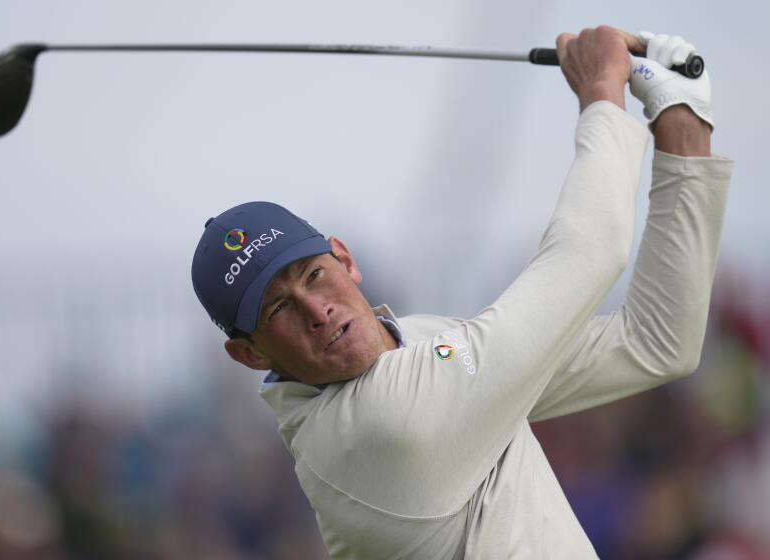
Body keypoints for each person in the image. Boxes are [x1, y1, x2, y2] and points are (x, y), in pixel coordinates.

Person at [191, 26, 732, 559]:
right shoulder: (375, 427)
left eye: (312, 275)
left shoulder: (427, 340)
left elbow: (656, 341)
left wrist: (681, 124)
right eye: (279, 308)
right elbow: (589, 253)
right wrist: (601, 93)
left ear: (346, 259)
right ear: (249, 353)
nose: (316, 309)